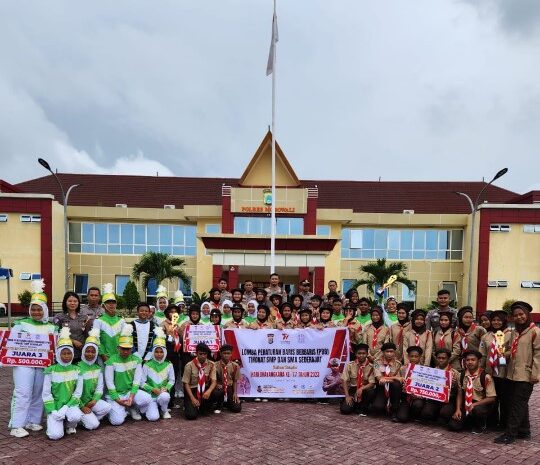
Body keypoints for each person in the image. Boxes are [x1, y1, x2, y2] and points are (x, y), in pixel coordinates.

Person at [9, 279, 57, 438]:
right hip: (23, 364)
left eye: (39, 309)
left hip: (42, 365)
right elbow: (9, 344)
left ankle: (33, 420)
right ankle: (17, 425)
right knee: (23, 392)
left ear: (45, 310)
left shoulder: (52, 327)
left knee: (38, 392)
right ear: (30, 310)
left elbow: (54, 347)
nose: (36, 312)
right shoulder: (21, 324)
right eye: (33, 309)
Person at [495, 301, 540, 444]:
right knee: (521, 403)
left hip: (525, 375)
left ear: (527, 315)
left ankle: (510, 434)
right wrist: (503, 355)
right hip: (512, 374)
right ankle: (524, 430)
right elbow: (512, 351)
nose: (519, 317)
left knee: (516, 404)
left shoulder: (535, 332)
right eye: (516, 315)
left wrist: (535, 375)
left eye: (521, 314)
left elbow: (538, 355)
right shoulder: (516, 332)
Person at [104, 325, 152, 425]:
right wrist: (117, 399)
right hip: (116, 394)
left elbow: (136, 381)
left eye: (128, 349)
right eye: (123, 348)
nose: (125, 351)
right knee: (116, 422)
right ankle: (120, 408)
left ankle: (131, 407)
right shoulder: (111, 361)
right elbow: (109, 382)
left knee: (147, 398)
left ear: (131, 349)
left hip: (130, 392)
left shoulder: (136, 360)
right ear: (118, 348)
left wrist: (131, 397)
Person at [42, 328, 83, 439]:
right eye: (63, 353)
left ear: (73, 354)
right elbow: (46, 394)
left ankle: (69, 425)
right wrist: (53, 410)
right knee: (55, 436)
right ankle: (53, 420)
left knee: (76, 416)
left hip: (70, 405)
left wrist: (66, 407)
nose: (66, 356)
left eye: (69, 353)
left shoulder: (77, 370)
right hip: (54, 406)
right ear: (58, 354)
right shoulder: (51, 370)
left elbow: (78, 393)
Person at [448, 350, 496, 434]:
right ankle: (468, 420)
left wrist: (474, 404)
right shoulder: (461, 375)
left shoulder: (485, 377)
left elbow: (492, 398)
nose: (470, 362)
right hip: (466, 403)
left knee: (478, 410)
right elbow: (459, 393)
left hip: (480, 404)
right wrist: (458, 409)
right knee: (453, 426)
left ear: (479, 361)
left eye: (473, 360)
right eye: (468, 360)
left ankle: (481, 424)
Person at [479, 310, 510, 430]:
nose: (496, 322)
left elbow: (512, 350)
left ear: (504, 321)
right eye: (494, 320)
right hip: (490, 373)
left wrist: (502, 355)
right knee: (492, 398)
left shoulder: (509, 334)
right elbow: (482, 355)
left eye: (499, 320)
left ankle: (504, 424)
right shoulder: (486, 336)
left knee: (504, 399)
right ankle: (492, 423)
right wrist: (482, 371)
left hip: (504, 372)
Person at [77, 328, 111, 431]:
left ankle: (88, 417)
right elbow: (73, 392)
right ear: (83, 351)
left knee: (107, 407)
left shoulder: (98, 368)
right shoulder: (77, 368)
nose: (90, 354)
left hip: (91, 402)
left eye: (93, 352)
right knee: (93, 425)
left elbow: (99, 388)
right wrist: (82, 406)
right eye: (87, 351)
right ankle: (81, 418)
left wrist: (94, 400)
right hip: (78, 404)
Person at [140, 328, 175, 420]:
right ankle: (154, 408)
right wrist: (152, 389)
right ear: (153, 352)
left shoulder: (169, 364)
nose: (159, 354)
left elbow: (172, 380)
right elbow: (142, 383)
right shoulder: (147, 365)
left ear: (165, 352)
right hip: (150, 396)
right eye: (156, 351)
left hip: (162, 394)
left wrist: (166, 388)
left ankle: (164, 410)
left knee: (165, 396)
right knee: (153, 418)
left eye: (161, 352)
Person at [419, 348, 460, 426]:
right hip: (434, 399)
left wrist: (454, 384)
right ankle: (435, 415)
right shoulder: (431, 371)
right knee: (425, 414)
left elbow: (459, 391)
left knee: (445, 414)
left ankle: (442, 416)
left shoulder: (455, 373)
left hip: (448, 400)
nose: (441, 360)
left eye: (443, 358)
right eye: (439, 358)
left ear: (448, 359)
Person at [182, 343, 217, 420]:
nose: (203, 356)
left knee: (217, 392)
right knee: (191, 416)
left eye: (205, 354)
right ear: (196, 353)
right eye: (200, 354)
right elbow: (186, 383)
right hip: (193, 390)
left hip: (205, 390)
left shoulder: (211, 364)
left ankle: (205, 406)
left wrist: (209, 391)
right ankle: (190, 405)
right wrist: (192, 398)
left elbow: (214, 381)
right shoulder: (189, 365)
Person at [92, 283, 125, 364]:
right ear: (103, 305)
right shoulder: (98, 321)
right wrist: (103, 356)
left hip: (119, 357)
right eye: (108, 302)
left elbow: (124, 339)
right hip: (103, 358)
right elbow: (96, 340)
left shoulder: (121, 320)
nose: (111, 305)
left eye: (113, 302)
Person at [340, 344, 376, 416]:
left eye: (363, 353)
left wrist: (361, 388)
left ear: (367, 354)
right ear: (356, 354)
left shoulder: (372, 366)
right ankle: (354, 404)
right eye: (359, 353)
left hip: (365, 390)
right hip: (353, 390)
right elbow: (344, 380)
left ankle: (363, 408)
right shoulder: (350, 365)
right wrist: (347, 396)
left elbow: (372, 383)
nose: (361, 355)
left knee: (371, 392)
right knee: (345, 410)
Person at [54, 292, 89, 362]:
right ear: (65, 302)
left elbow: (87, 333)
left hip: (81, 352)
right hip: (65, 354)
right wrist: (73, 341)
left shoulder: (84, 317)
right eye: (70, 301)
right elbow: (56, 334)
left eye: (75, 301)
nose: (72, 303)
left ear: (78, 302)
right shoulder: (58, 317)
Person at [372, 342, 402, 422]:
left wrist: (391, 379)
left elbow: (399, 380)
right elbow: (379, 378)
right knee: (378, 407)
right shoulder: (376, 363)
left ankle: (394, 411)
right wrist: (395, 377)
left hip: (393, 389)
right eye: (387, 351)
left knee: (396, 385)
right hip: (381, 388)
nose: (389, 354)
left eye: (391, 351)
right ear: (383, 352)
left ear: (394, 352)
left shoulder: (398, 364)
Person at [396, 346, 425, 423]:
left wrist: (418, 396)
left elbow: (427, 389)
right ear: (408, 357)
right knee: (402, 418)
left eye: (416, 356)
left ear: (420, 357)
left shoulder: (425, 370)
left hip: (418, 397)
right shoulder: (403, 369)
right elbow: (398, 382)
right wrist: (403, 385)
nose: (413, 358)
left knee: (418, 405)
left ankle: (414, 416)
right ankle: (405, 413)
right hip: (406, 397)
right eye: (411, 356)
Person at [162, 304, 183, 407]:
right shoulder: (164, 324)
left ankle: (172, 401)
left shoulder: (178, 325)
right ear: (167, 313)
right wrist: (168, 337)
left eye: (175, 312)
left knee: (173, 376)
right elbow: (161, 337)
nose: (173, 313)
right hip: (167, 353)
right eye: (171, 311)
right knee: (166, 376)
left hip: (176, 354)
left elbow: (182, 339)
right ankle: (165, 401)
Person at [214, 345, 242, 414]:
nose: (226, 355)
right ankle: (218, 405)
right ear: (220, 354)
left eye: (228, 353)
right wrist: (217, 384)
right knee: (218, 392)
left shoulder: (235, 366)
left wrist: (235, 393)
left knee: (237, 409)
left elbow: (235, 381)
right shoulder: (215, 365)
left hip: (229, 388)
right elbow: (213, 379)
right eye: (224, 353)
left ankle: (228, 403)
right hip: (220, 388)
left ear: (231, 354)